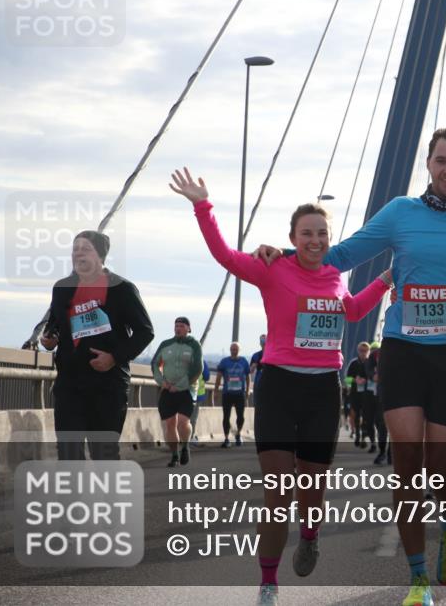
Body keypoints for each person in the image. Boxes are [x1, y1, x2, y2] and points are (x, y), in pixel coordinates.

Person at [257, 126, 446, 606]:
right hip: (402, 348)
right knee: (407, 467)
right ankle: (419, 578)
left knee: (441, 471)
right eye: (439, 159)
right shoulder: (401, 212)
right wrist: (281, 256)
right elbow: (338, 256)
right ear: (428, 163)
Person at [170, 168, 391, 606]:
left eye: (322, 233)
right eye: (306, 233)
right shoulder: (273, 268)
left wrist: (386, 280)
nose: (315, 240)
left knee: (311, 489)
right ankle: (268, 582)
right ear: (293, 236)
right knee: (277, 490)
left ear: (330, 239)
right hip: (278, 387)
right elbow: (226, 256)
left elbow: (351, 311)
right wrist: (203, 205)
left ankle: (310, 533)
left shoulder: (336, 275)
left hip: (323, 391)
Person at [41, 230, 154, 461]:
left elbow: (145, 331)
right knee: (68, 452)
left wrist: (114, 357)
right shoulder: (62, 287)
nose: (78, 253)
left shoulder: (122, 289)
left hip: (108, 384)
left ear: (100, 256)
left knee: (103, 453)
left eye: (85, 249)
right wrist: (50, 338)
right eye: (75, 249)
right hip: (70, 382)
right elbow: (55, 324)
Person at [151, 317, 203, 467]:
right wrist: (162, 382)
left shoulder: (194, 345)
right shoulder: (166, 344)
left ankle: (185, 446)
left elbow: (197, 368)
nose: (177, 328)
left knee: (183, 422)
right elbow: (155, 364)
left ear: (188, 328)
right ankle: (174, 454)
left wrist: (180, 386)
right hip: (167, 389)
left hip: (186, 390)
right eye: (176, 326)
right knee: (170, 424)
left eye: (181, 326)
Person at [216, 341, 251, 448]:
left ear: (239, 350)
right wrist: (216, 390)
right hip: (227, 393)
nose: (233, 351)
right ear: (230, 350)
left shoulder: (244, 361)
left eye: (235, 349)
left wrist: (248, 390)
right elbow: (218, 376)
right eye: (232, 349)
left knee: (240, 417)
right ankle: (226, 438)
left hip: (239, 394)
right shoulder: (224, 362)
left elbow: (248, 377)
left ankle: (238, 433)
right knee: (226, 417)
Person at [345, 341, 370, 445]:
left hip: (368, 394)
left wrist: (366, 380)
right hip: (355, 393)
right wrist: (355, 380)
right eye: (361, 351)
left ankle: (364, 436)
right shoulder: (353, 363)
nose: (363, 353)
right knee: (356, 413)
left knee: (366, 415)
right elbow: (346, 379)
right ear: (358, 351)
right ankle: (357, 435)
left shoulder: (370, 362)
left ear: (368, 351)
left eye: (365, 351)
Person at [190, 358, 211, 446]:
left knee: (184, 416)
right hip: (197, 394)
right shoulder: (202, 361)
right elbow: (206, 376)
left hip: (183, 393)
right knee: (193, 418)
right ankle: (190, 437)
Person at [250, 333, 266, 406]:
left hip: (269, 380)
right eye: (262, 343)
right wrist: (254, 365)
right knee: (257, 402)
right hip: (259, 380)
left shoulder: (272, 355)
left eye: (265, 342)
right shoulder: (256, 355)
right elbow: (251, 370)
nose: (264, 345)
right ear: (260, 343)